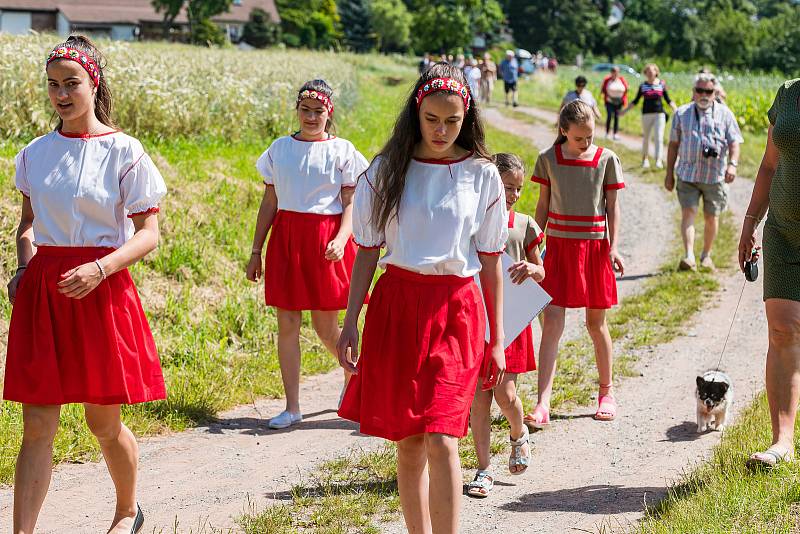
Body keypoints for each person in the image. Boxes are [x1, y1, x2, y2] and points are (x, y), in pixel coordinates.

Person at [4, 35, 167, 533]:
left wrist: (101, 268)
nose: (60, 94)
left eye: (70, 83)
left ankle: (126, 511)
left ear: (93, 82)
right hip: (45, 292)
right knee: (37, 427)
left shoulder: (125, 151)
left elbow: (149, 235)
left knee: (102, 422)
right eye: (52, 85)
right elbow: (27, 223)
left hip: (101, 290)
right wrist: (24, 265)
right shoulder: (35, 153)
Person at [337, 64, 507, 534]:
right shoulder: (386, 170)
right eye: (432, 118)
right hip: (396, 307)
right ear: (417, 112)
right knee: (409, 441)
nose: (441, 130)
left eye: (452, 121)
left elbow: (491, 260)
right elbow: (367, 251)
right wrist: (350, 321)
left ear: (466, 117)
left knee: (443, 438)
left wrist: (497, 338)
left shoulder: (482, 175)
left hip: (458, 309)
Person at [246, 79, 369, 429]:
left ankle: (354, 374)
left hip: (326, 240)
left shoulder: (342, 150)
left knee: (325, 326)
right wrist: (256, 250)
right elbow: (269, 202)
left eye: (318, 111)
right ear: (297, 111)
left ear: (329, 112)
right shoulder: (280, 149)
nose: (311, 117)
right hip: (286, 239)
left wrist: (343, 237)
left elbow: (350, 203)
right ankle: (292, 406)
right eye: (305, 110)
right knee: (287, 323)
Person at [526, 100, 625, 429]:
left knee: (596, 325)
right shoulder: (547, 159)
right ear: (564, 131)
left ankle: (606, 392)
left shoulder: (607, 159)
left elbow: (613, 207)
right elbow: (542, 206)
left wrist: (613, 248)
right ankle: (542, 403)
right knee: (552, 324)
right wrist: (534, 244)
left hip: (594, 249)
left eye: (590, 137)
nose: (586, 143)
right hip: (558, 250)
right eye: (580, 138)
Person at [467, 153, 544, 499]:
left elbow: (543, 272)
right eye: (505, 187)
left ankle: (518, 433)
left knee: (504, 393)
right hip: (474, 317)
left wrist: (532, 269)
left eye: (516, 189)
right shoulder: (471, 220)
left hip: (509, 322)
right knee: (478, 399)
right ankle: (483, 470)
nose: (511, 194)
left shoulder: (524, 225)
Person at [739, 79, 800, 470]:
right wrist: (750, 221)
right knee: (782, 331)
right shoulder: (789, 93)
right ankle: (782, 441)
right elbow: (769, 163)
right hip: (782, 232)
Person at [665, 72, 743, 271]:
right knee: (688, 212)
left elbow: (735, 142)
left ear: (715, 92)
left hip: (714, 176)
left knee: (711, 217)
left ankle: (706, 255)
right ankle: (689, 256)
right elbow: (673, 145)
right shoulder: (681, 114)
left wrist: (732, 164)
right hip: (687, 174)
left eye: (708, 91)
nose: (704, 94)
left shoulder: (726, 114)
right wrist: (669, 173)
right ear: (693, 91)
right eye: (699, 90)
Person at [621, 63, 678, 169]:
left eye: (653, 71)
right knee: (646, 137)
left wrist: (676, 110)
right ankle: (645, 159)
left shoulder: (661, 84)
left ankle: (658, 160)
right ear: (645, 73)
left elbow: (668, 99)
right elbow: (636, 101)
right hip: (646, 114)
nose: (651, 73)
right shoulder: (643, 86)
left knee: (659, 137)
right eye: (648, 71)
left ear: (656, 72)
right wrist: (625, 111)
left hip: (659, 114)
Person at [600, 66, 628, 140]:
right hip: (609, 101)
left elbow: (626, 89)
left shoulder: (621, 80)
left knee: (616, 117)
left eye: (616, 72)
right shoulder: (607, 80)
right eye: (613, 71)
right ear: (611, 72)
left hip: (619, 102)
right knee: (609, 116)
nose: (615, 73)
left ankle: (615, 134)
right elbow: (603, 89)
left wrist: (622, 99)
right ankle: (607, 133)